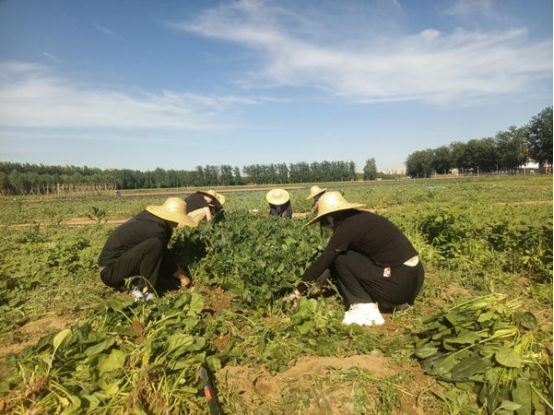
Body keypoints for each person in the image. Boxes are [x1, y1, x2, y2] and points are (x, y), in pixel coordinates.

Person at [289, 192, 424, 326]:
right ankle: (396, 302)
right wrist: (325, 274)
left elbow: (325, 260)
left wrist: (298, 291)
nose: (327, 225)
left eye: (325, 220)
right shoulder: (361, 218)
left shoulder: (346, 228)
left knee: (340, 258)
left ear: (331, 216)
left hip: (398, 284)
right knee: (345, 255)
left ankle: (365, 309)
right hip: (412, 281)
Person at [98, 197, 197, 301]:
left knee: (160, 257)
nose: (177, 224)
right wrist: (180, 275)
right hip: (110, 272)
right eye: (177, 219)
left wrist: (176, 270)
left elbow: (161, 253)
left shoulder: (153, 220)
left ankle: (136, 284)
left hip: (120, 264)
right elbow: (162, 253)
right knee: (154, 244)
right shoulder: (155, 230)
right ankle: (143, 293)